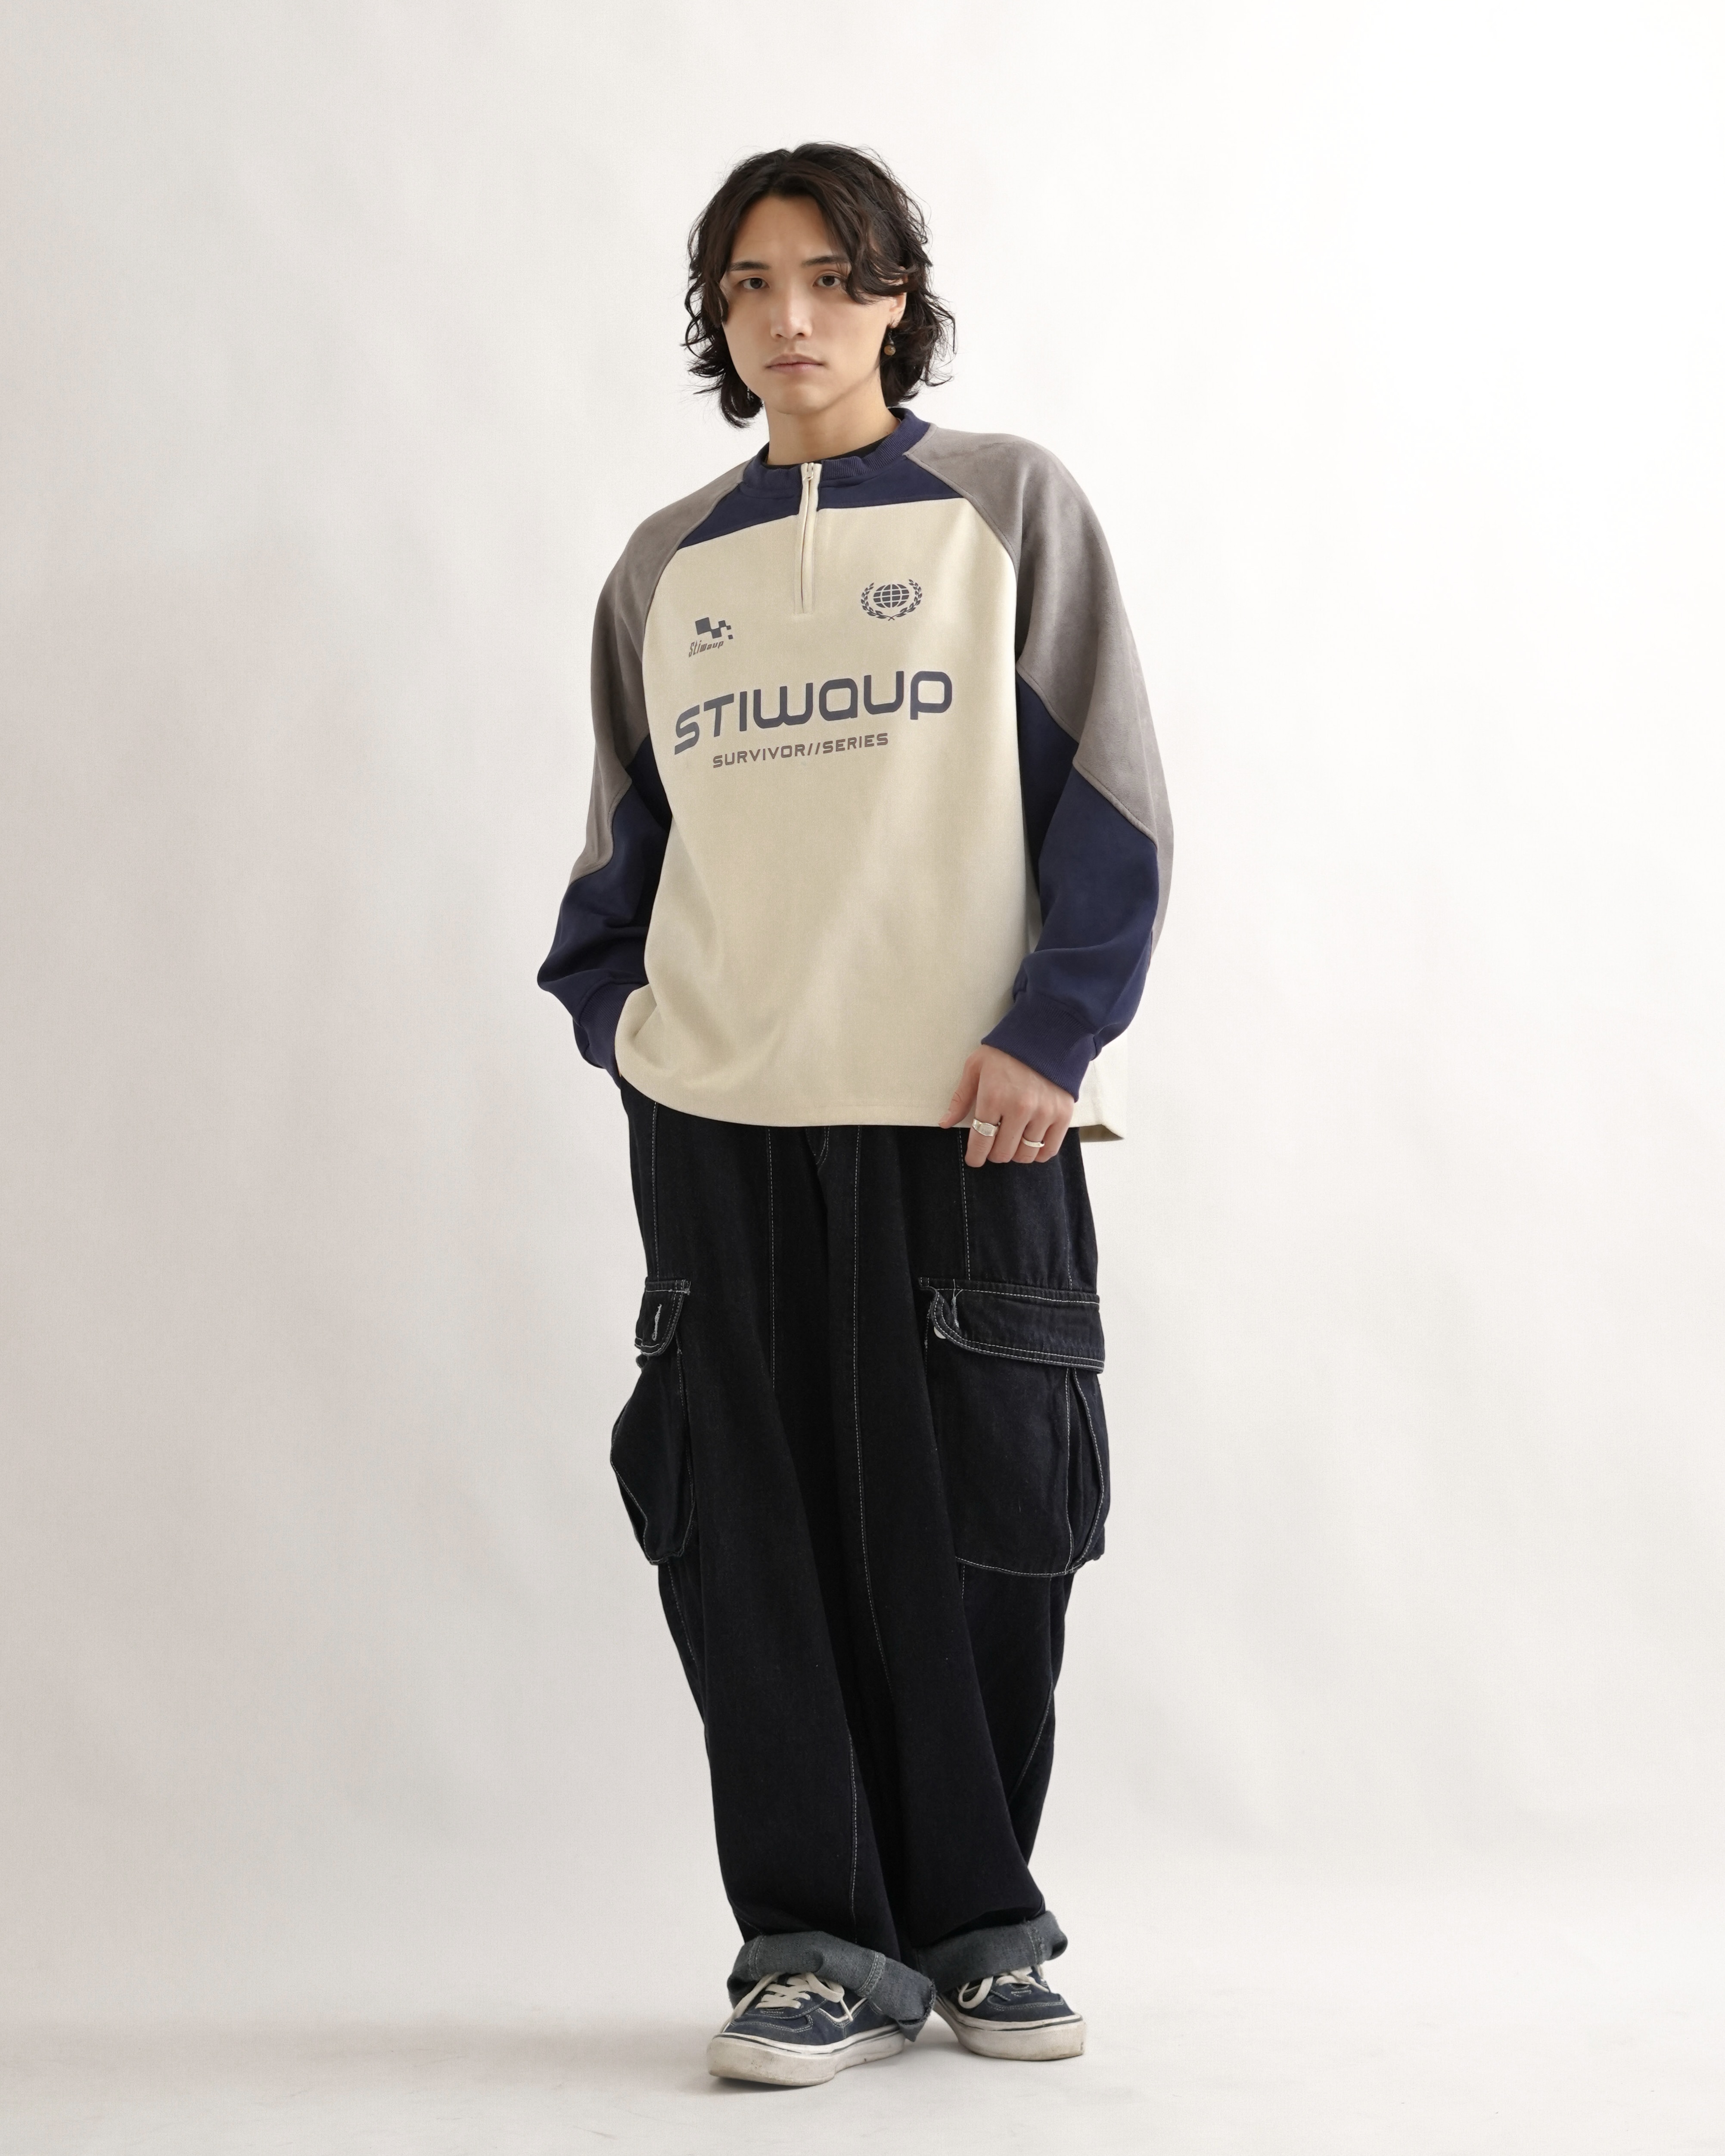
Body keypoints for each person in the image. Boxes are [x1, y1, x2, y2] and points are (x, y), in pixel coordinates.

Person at [539, 142, 1172, 2087]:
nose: (790, 318)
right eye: (750, 285)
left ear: (898, 294)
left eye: (830, 276)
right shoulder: (666, 565)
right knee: (751, 1534)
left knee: (988, 1522)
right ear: (717, 318)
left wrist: (1054, 1036)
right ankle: (814, 1946)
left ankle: (979, 1930)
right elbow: (615, 866)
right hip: (722, 1129)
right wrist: (637, 1030)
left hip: (967, 1119)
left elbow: (1116, 802)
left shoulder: (1008, 508)